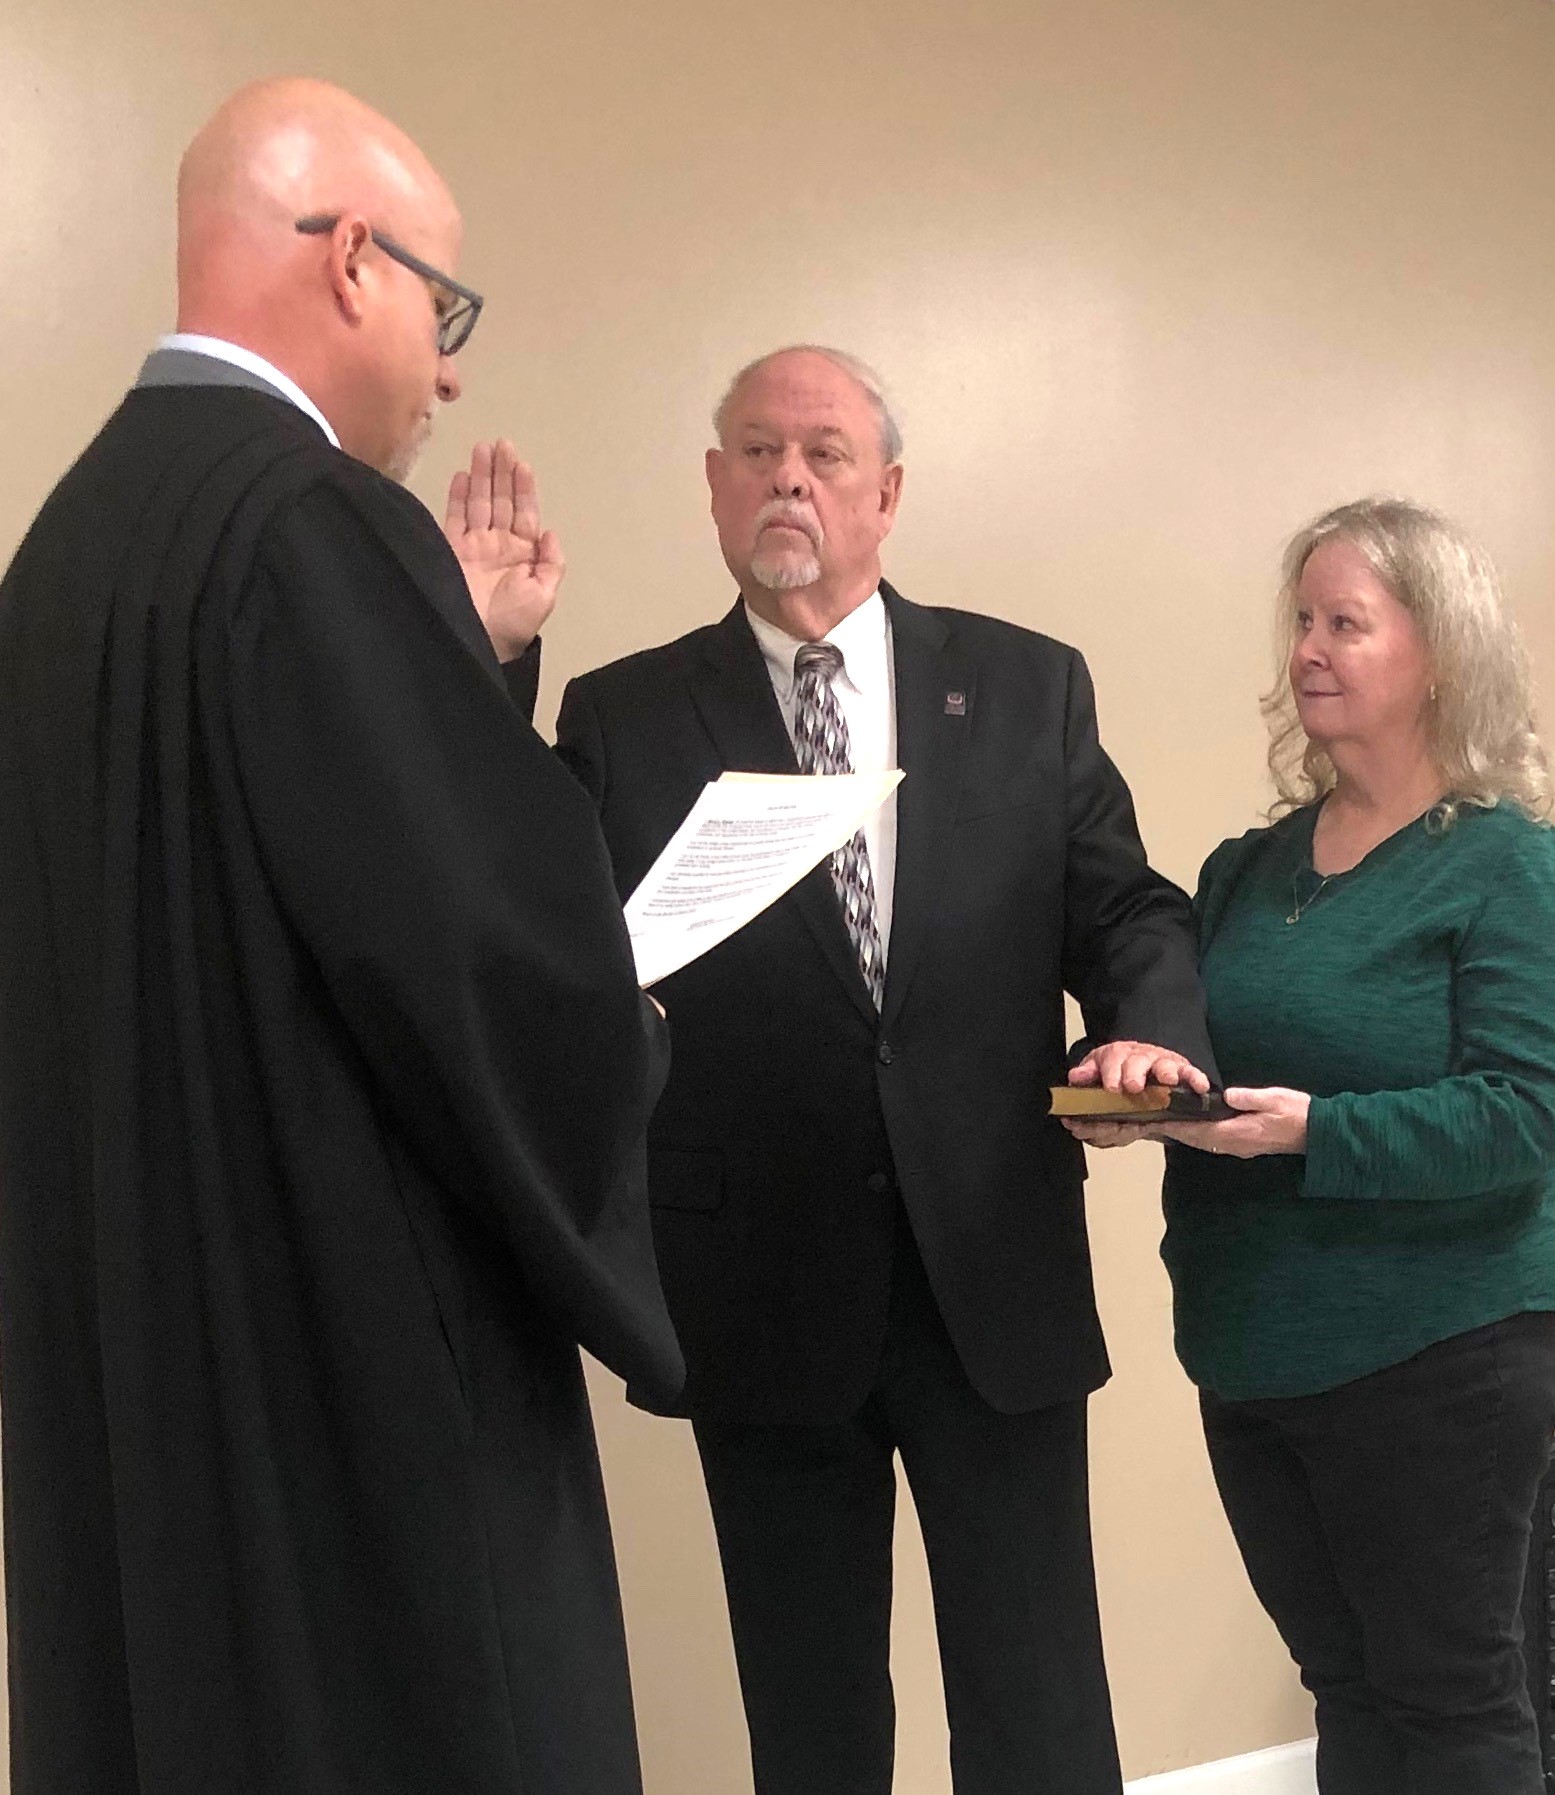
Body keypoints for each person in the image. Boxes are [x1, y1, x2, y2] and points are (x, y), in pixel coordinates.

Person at [0, 78, 681, 1795]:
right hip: (344, 1379)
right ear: (356, 262)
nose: (450, 375)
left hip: (137, 1357)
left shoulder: (62, 554)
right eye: (446, 312)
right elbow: (485, 967)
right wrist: (628, 1018)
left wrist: (458, 651)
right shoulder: (315, 523)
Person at [550, 343, 1217, 1795]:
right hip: (761, 1281)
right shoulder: (622, 715)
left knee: (1037, 1695)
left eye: (825, 452)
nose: (789, 476)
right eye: (756, 451)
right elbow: (530, 934)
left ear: (887, 492)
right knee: (810, 1708)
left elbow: (1125, 907)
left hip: (991, 1261)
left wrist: (1149, 1026)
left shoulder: (1025, 685)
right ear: (714, 489)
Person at [1066, 496, 1555, 1795]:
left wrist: (1311, 1134)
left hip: (1439, 1355)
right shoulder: (1247, 869)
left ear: (1437, 654)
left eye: (1348, 622)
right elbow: (1188, 1048)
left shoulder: (1503, 865)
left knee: (1453, 1705)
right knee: (1346, 1690)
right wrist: (1128, 1089)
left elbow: (1524, 1116)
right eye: (1301, 621)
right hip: (1252, 1351)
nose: (1310, 651)